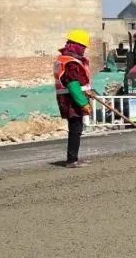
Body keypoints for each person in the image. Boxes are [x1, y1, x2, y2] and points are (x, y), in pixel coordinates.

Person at [55, 29, 94, 168]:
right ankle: (72, 160)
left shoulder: (66, 59)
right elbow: (73, 84)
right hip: (71, 100)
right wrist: (83, 103)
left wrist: (87, 91)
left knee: (76, 128)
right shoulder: (71, 62)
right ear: (76, 45)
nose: (84, 50)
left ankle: (73, 158)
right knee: (75, 129)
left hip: (70, 98)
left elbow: (79, 83)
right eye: (82, 46)